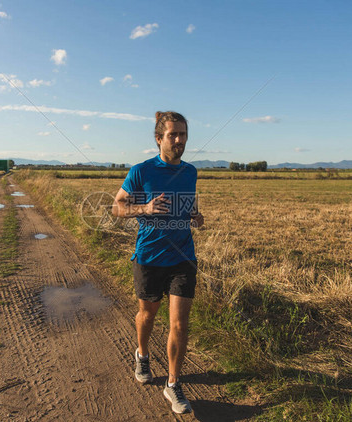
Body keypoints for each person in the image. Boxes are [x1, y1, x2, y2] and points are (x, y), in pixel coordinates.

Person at [112, 111, 204, 414]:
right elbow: (118, 207)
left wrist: (194, 216)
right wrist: (145, 208)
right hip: (149, 256)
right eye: (173, 134)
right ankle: (142, 354)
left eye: (183, 134)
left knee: (179, 322)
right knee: (147, 316)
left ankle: (173, 383)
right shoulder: (141, 171)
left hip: (183, 257)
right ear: (158, 138)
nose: (179, 140)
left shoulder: (190, 171)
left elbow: (186, 204)